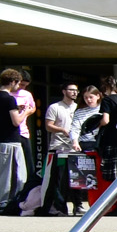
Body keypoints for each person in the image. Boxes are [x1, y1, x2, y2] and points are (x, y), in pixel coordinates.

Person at [0, 66, 29, 216]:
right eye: (18, 83)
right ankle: (6, 203)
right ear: (12, 82)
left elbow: (2, 115)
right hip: (11, 140)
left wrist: (16, 108)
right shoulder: (10, 99)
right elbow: (16, 121)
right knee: (16, 174)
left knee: (2, 173)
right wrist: (25, 112)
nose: (18, 86)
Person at [40, 79, 81, 216]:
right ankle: (60, 207)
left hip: (75, 149)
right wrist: (62, 130)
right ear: (64, 91)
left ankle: (78, 206)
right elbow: (48, 126)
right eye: (71, 90)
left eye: (76, 90)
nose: (74, 92)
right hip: (59, 148)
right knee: (59, 180)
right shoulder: (55, 107)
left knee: (77, 179)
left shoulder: (79, 108)